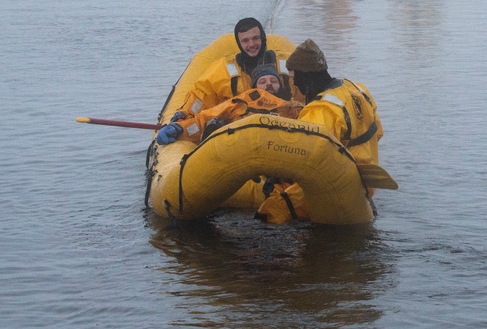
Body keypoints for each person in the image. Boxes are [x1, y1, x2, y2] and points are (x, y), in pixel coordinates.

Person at [256, 39, 383, 223]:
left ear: (307, 77)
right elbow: (378, 132)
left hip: (338, 186)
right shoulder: (356, 89)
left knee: (270, 212)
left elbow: (300, 159)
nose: (296, 85)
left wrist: (274, 173)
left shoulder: (321, 110)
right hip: (364, 181)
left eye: (295, 78)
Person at [174, 17, 296, 118]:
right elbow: (202, 95)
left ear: (263, 38)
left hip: (285, 129)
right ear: (239, 43)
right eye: (245, 41)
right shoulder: (224, 69)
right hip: (240, 132)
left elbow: (307, 92)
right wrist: (184, 114)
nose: (251, 44)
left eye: (255, 38)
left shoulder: (288, 63)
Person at [156, 64, 303, 144]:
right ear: (255, 87)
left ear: (280, 85)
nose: (269, 84)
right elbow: (204, 119)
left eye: (273, 80)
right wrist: (180, 129)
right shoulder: (240, 103)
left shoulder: (293, 108)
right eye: (263, 82)